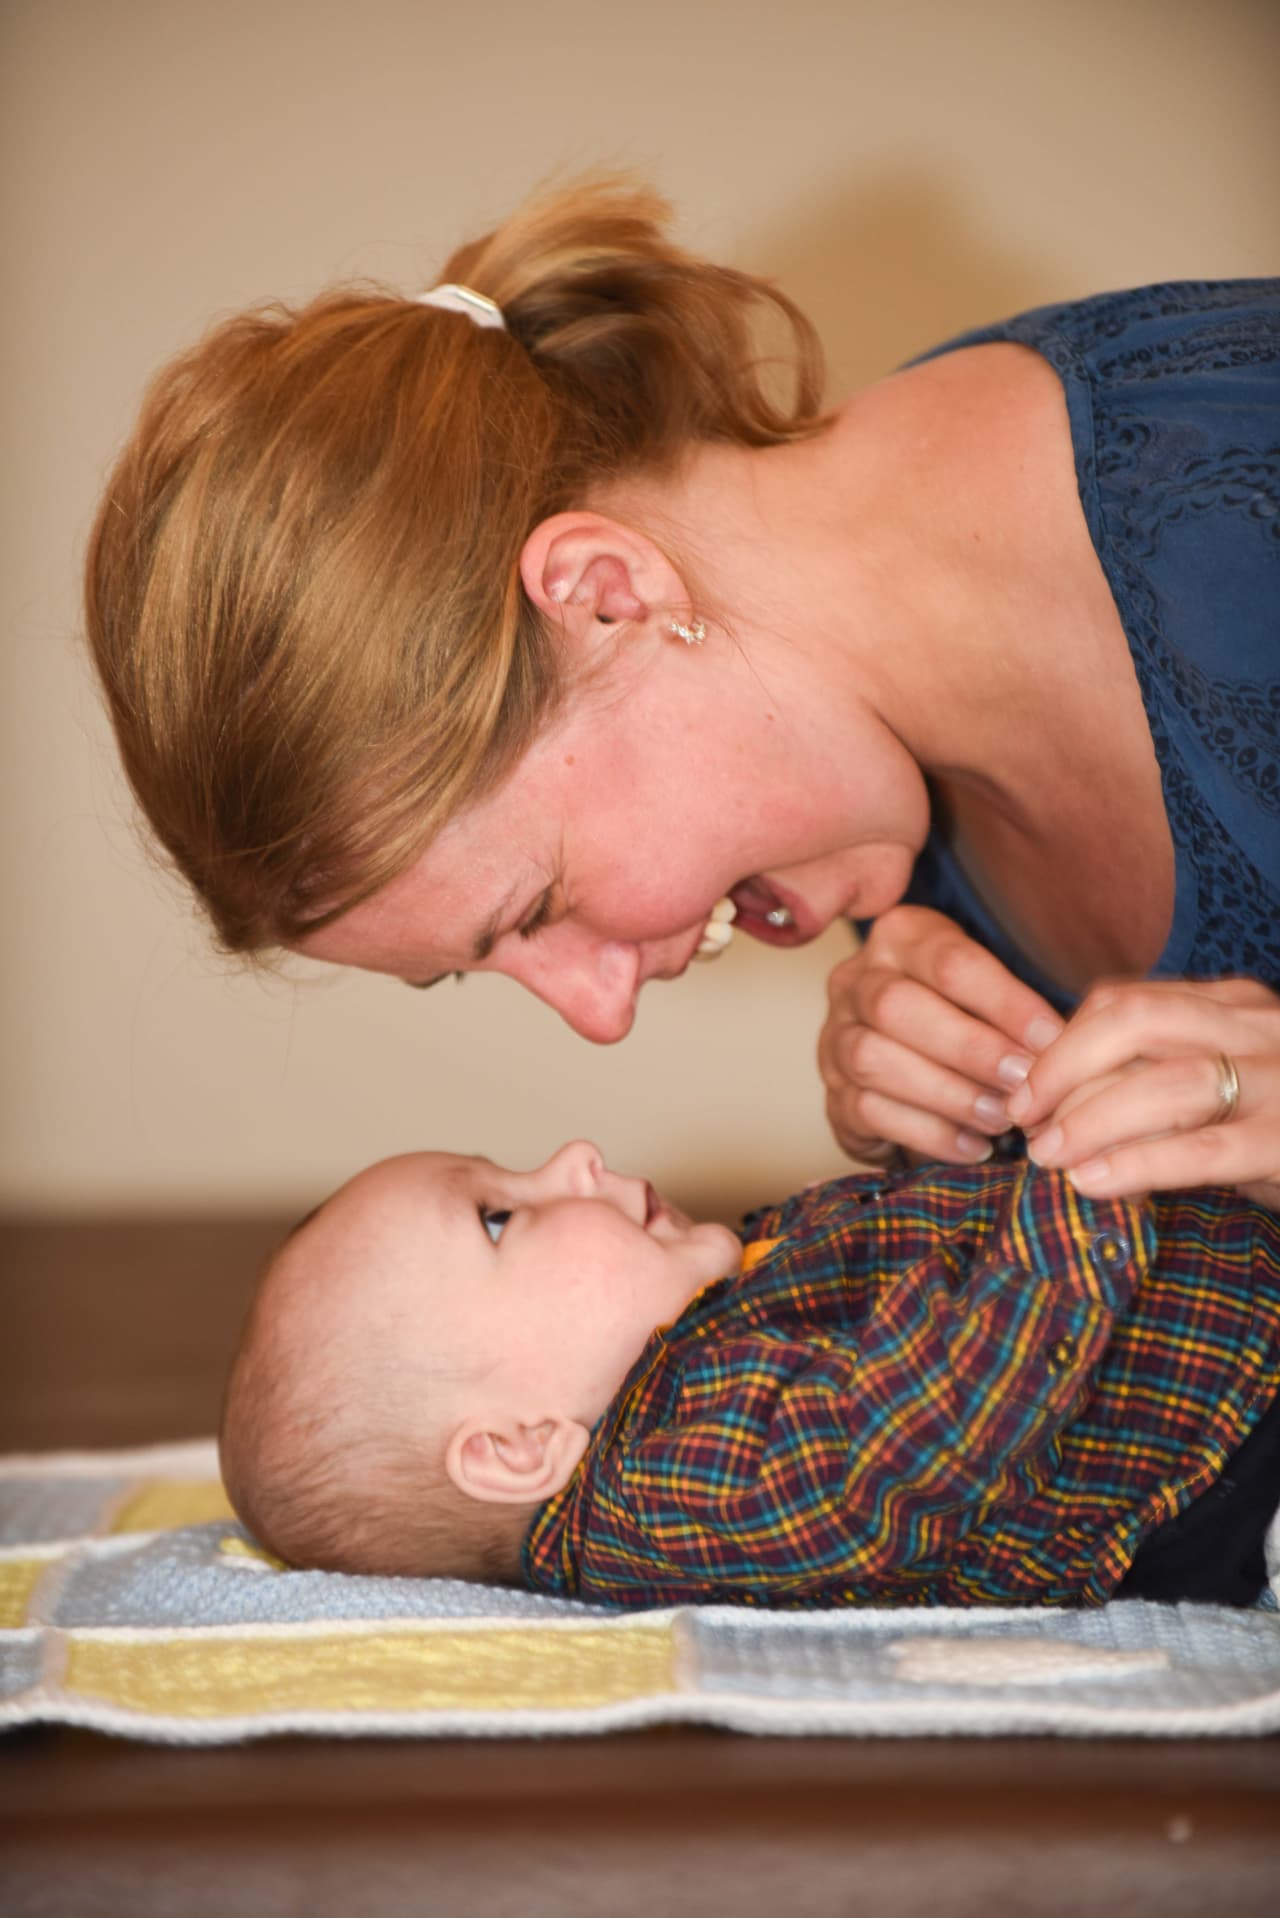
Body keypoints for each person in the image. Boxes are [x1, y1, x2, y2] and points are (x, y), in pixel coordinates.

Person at [84, 181, 1280, 1203]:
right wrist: (964, 1149)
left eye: (538, 906)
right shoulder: (847, 757)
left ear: (606, 594)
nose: (601, 1017)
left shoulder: (1243, 496)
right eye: (473, 963)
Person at [219, 1139, 1280, 1610]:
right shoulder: (668, 1485)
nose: (574, 1156)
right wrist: (1078, 1182)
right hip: (1227, 1468)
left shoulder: (697, 1326)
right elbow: (899, 1440)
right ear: (515, 1447)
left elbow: (915, 1259)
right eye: (502, 1213)